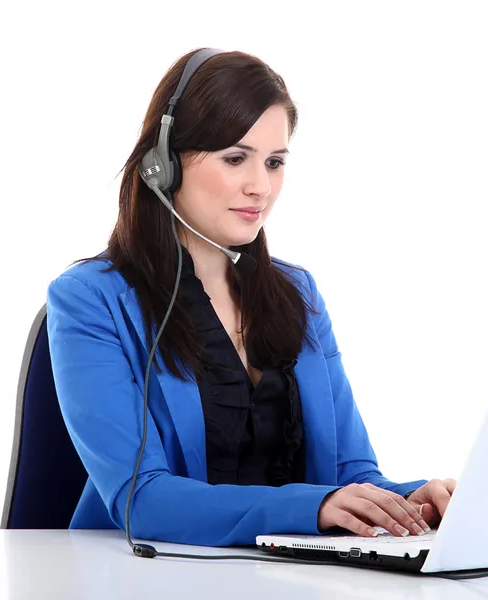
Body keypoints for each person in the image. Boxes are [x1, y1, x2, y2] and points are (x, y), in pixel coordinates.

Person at [46, 48, 457, 548]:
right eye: (235, 158)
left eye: (275, 162)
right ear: (164, 164)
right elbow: (142, 498)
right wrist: (313, 507)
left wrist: (414, 502)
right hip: (151, 578)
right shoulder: (91, 301)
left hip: (284, 579)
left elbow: (352, 471)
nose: (260, 186)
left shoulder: (297, 294)